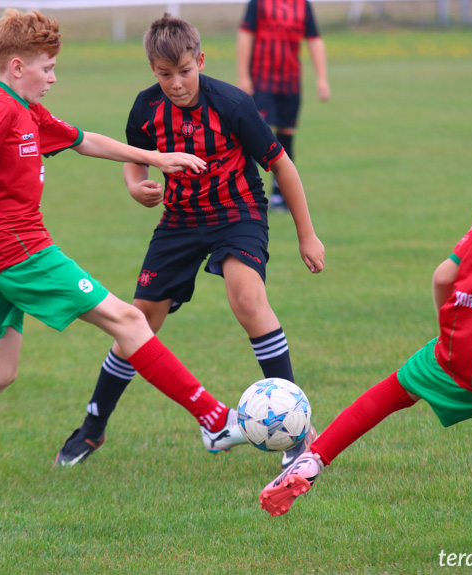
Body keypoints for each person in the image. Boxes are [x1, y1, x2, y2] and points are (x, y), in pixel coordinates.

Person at [0, 8, 253, 483]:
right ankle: (215, 421)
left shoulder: (24, 108)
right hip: (13, 250)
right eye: (46, 67)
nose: (53, 77)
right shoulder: (0, 109)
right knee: (129, 320)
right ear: (16, 67)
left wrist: (154, 158)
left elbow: (83, 140)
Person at [260, 108, 472, 563]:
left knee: (395, 390)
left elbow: (442, 277)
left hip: (461, 345)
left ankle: (312, 459)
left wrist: (450, 338)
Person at [53, 14, 325, 469]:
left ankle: (297, 436)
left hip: (238, 213)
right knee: (138, 322)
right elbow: (135, 159)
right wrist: (135, 184)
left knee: (247, 299)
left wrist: (308, 235)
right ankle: (93, 427)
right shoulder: (145, 109)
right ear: (152, 70)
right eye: (164, 74)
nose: (176, 83)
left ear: (199, 60)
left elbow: (282, 167)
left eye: (184, 71)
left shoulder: (234, 104)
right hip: (179, 221)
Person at [237, 0, 330, 213]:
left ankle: (280, 195)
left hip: (290, 83)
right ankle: (245, 193)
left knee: (286, 137)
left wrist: (322, 78)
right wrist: (243, 75)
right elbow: (245, 35)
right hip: (262, 81)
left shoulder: (303, 5)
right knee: (258, 135)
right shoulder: (258, 3)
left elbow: (314, 39)